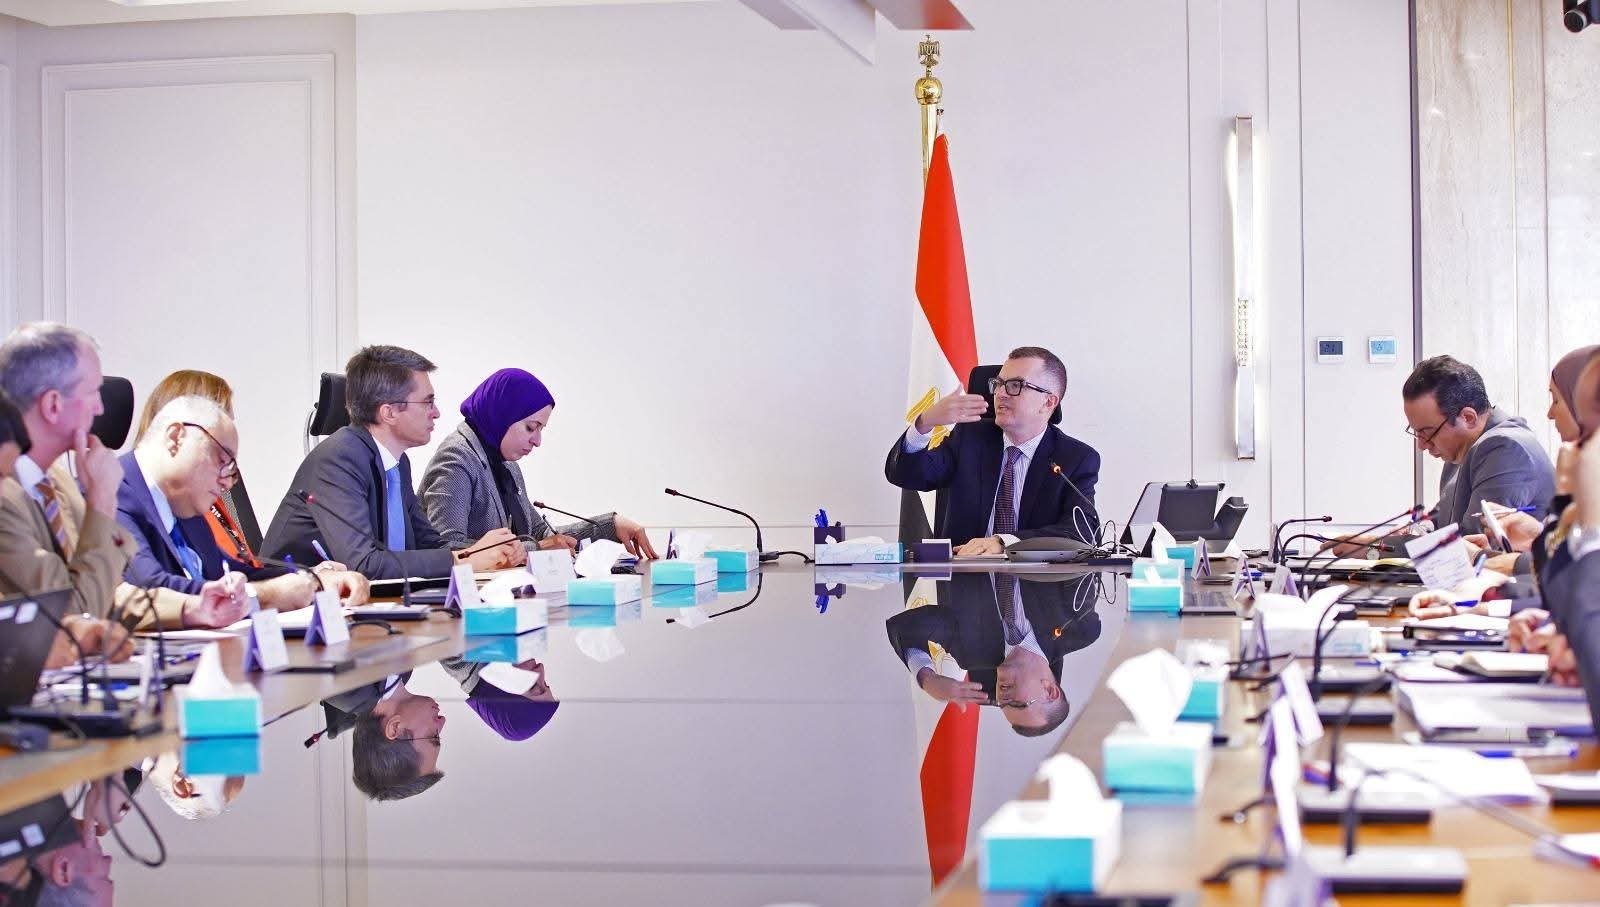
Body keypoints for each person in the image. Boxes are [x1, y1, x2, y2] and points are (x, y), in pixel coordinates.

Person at [262, 345, 517, 580]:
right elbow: (363, 564)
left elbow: (428, 543)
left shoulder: (397, 463)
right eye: (427, 402)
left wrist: (488, 551)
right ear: (389, 412)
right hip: (297, 603)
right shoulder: (338, 459)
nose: (436, 412)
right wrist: (462, 560)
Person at [117, 396, 367, 627]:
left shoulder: (184, 503)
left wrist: (315, 580)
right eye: (223, 461)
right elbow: (151, 589)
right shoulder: (114, 492)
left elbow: (230, 572)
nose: (227, 483)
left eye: (233, 469)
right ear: (175, 438)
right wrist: (268, 595)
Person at [0, 324, 143, 667]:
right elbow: (77, 611)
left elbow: (107, 586)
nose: (100, 408)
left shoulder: (57, 482)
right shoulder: (5, 497)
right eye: (93, 392)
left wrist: (191, 608)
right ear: (53, 405)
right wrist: (103, 500)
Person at [419, 368, 657, 560]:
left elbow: (539, 534)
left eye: (541, 429)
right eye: (530, 427)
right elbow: (448, 549)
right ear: (502, 415)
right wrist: (537, 550)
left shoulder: (506, 464)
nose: (537, 441)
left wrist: (610, 526)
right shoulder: (456, 460)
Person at [885, 346, 1100, 554]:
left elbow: (1083, 531)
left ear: (1048, 402)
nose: (1000, 393)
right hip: (967, 574)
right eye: (998, 384)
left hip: (1037, 577)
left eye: (1015, 385)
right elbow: (907, 475)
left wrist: (1005, 543)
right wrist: (925, 422)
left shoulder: (1076, 458)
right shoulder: (969, 439)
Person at [886, 571, 1103, 737]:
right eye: (1017, 703)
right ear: (1049, 691)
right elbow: (1075, 541)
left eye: (1002, 705)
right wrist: (1007, 543)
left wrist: (928, 679)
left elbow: (905, 629)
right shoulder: (1080, 629)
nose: (1003, 698)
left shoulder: (970, 651)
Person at [1401, 355, 1555, 535]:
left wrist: (1408, 543)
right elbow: (1440, 519)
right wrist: (1412, 532)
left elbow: (1474, 538)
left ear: (1468, 418)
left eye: (1428, 432)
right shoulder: (1462, 447)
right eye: (1417, 432)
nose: (1421, 446)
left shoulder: (1506, 449)